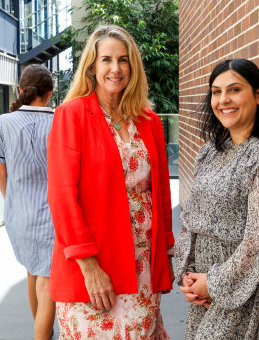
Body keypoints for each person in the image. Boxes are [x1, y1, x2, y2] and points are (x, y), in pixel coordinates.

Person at [46, 24, 174, 339]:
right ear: (92, 66)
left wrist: (166, 254)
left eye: (123, 60)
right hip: (92, 262)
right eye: (106, 60)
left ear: (133, 66)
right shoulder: (71, 115)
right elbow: (62, 196)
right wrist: (90, 268)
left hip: (142, 262)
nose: (115, 68)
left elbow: (161, 196)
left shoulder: (149, 121)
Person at [174, 59, 259, 339]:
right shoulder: (211, 151)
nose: (224, 100)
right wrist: (188, 275)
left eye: (234, 90)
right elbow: (190, 218)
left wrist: (214, 283)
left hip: (256, 294)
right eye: (216, 92)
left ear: (258, 94)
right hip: (206, 294)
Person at [0, 64, 56, 339]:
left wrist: (11, 200)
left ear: (20, 90)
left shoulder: (5, 122)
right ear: (50, 93)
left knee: (31, 271)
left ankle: (42, 331)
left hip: (19, 213)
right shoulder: (59, 120)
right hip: (52, 215)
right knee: (47, 279)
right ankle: (43, 335)